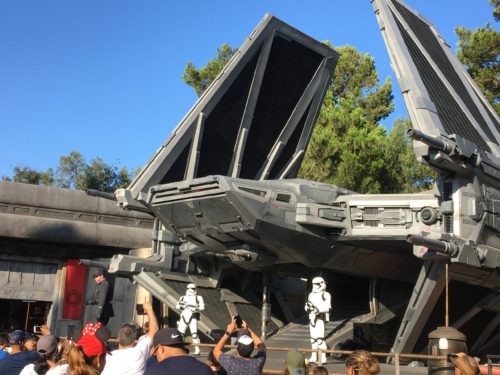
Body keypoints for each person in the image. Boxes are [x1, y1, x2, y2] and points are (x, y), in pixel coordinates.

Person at [101, 302, 159, 375]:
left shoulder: (106, 358)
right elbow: (154, 330)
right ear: (134, 339)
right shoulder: (138, 354)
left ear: (119, 338)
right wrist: (149, 309)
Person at [144, 327, 212, 375]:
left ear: (161, 349)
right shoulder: (205, 369)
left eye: (155, 354)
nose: (156, 357)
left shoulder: (153, 372)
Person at [305, 276, 331, 363]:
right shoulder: (311, 294)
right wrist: (309, 308)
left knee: (320, 339)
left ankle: (323, 358)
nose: (314, 286)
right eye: (313, 284)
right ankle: (314, 356)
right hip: (312, 317)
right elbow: (307, 305)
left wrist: (317, 310)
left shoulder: (326, 294)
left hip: (320, 319)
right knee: (313, 339)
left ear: (321, 284)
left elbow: (328, 308)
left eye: (316, 284)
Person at [176, 283, 205, 355]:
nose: (190, 290)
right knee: (180, 334)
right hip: (184, 315)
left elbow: (202, 307)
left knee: (194, 334)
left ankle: (197, 349)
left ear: (195, 289)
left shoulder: (198, 297)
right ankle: (180, 349)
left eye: (192, 288)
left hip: (193, 316)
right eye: (189, 288)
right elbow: (177, 306)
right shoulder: (182, 297)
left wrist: (196, 307)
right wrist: (182, 306)